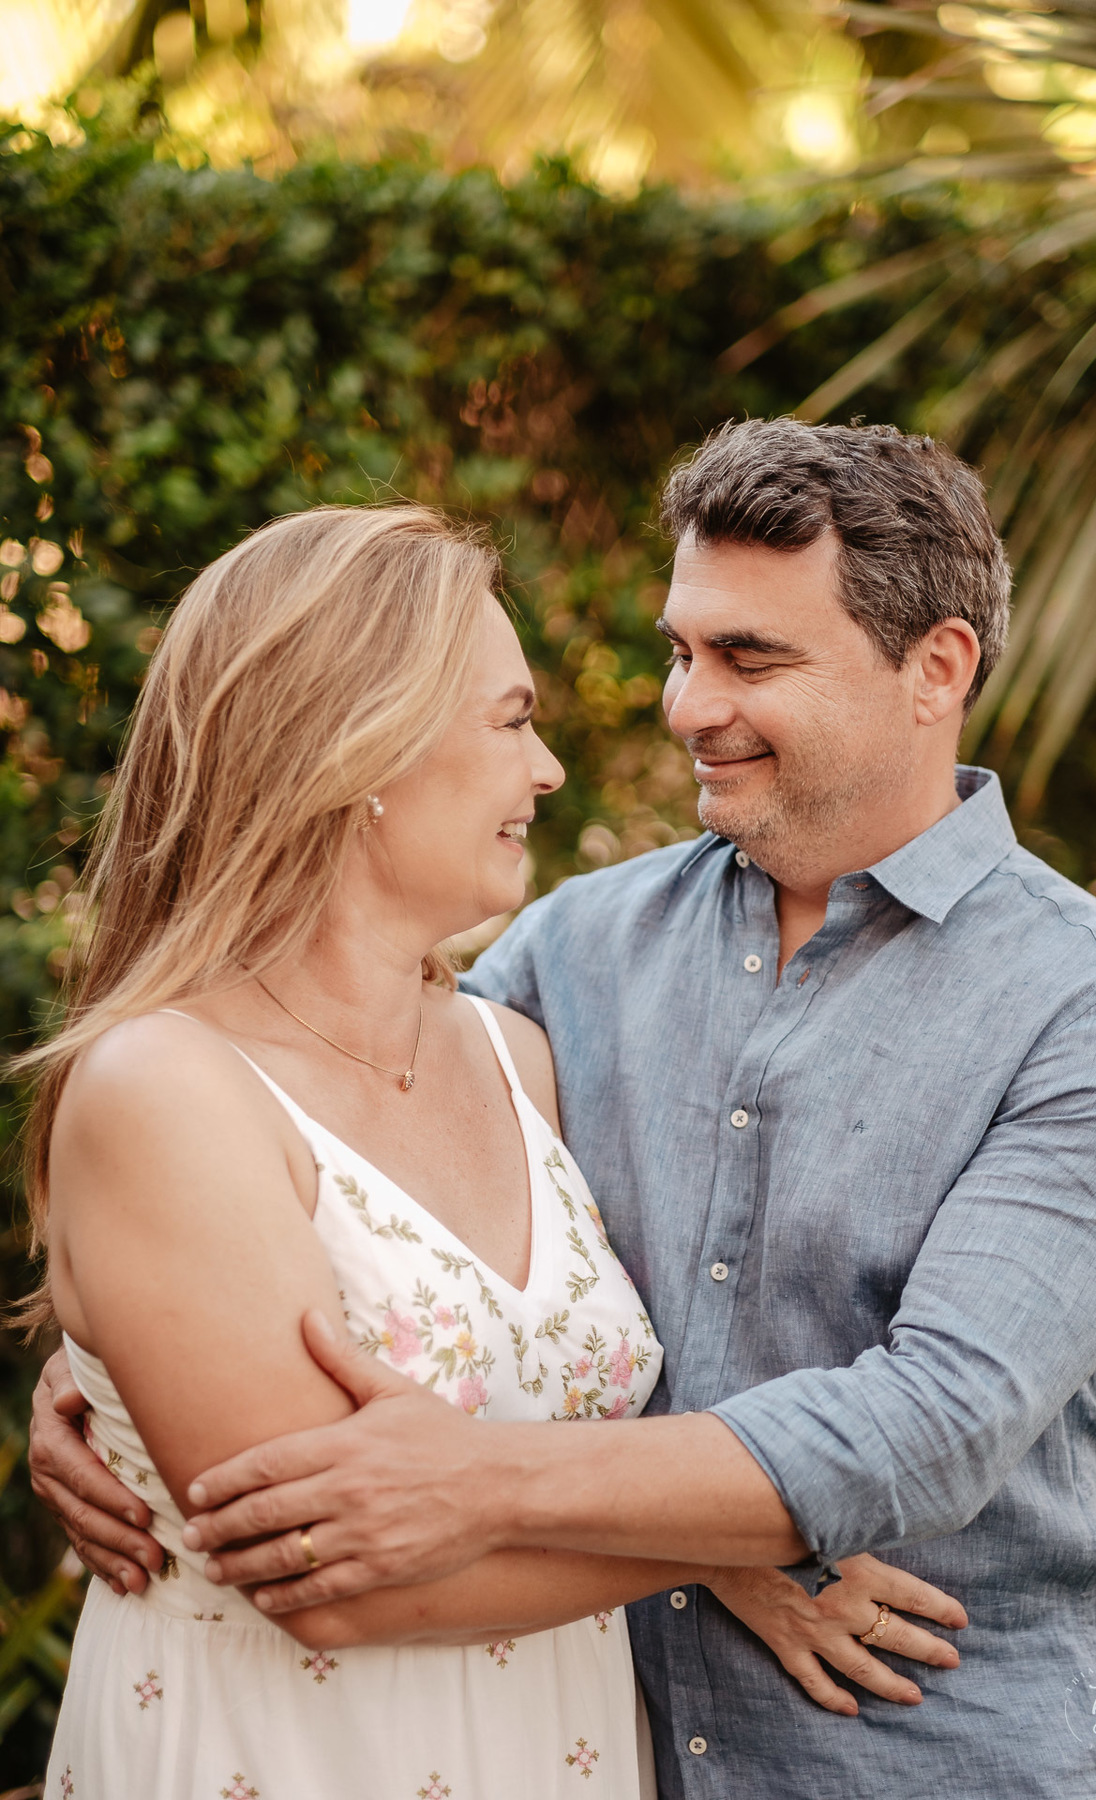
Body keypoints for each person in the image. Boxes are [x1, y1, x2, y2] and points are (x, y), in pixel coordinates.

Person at [24, 497, 964, 1800]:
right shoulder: (164, 1088)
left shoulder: (517, 1051)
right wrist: (733, 1549)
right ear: (356, 745)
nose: (550, 770)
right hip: (292, 1758)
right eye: (513, 720)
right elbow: (323, 1580)